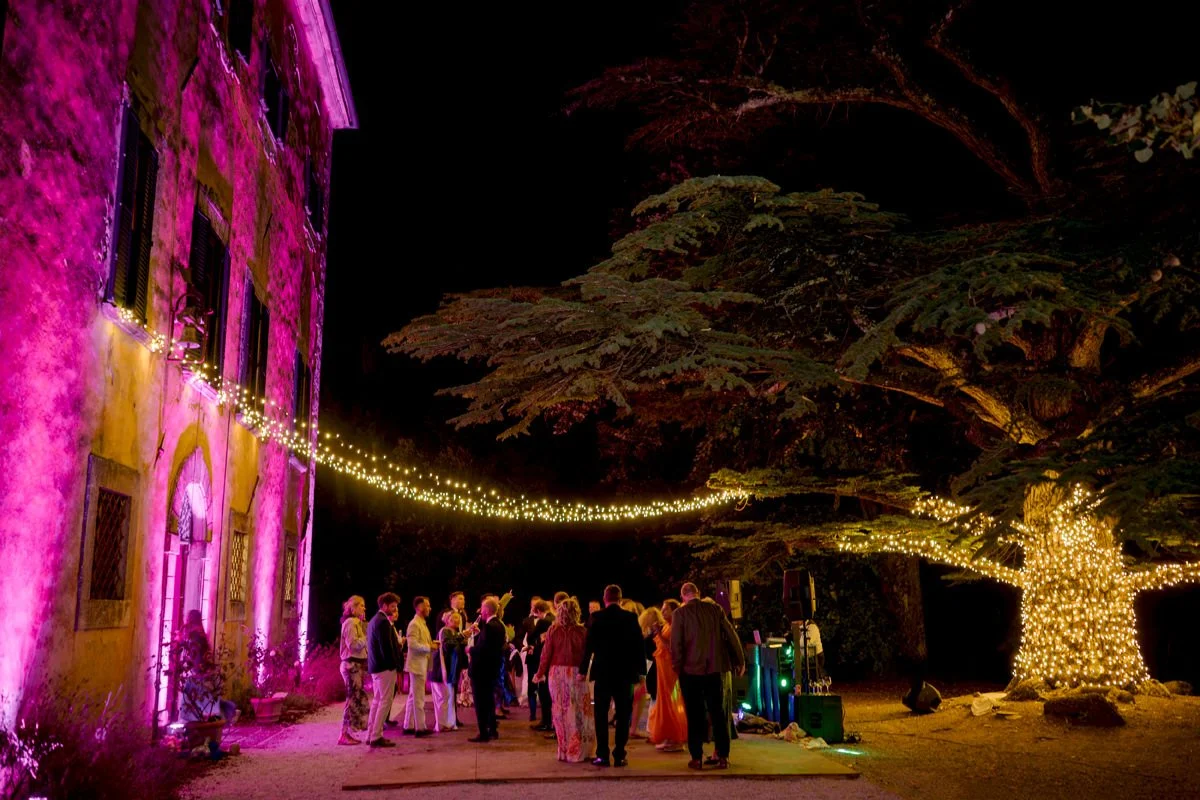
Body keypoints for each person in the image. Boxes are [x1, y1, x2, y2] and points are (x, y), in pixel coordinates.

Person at [670, 582, 745, 770]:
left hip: (690, 670)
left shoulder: (679, 614)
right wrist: (740, 660)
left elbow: (676, 644)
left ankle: (697, 757)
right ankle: (723, 756)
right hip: (715, 668)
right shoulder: (715, 609)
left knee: (694, 714)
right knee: (718, 712)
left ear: (683, 597)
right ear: (698, 593)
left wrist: (677, 667)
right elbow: (731, 634)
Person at [580, 584, 645, 767]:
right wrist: (641, 672)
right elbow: (638, 646)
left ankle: (602, 754)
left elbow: (589, 646)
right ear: (620, 598)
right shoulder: (630, 617)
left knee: (601, 714)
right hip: (625, 672)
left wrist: (583, 669)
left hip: (603, 672)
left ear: (605, 598)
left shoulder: (597, 617)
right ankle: (620, 754)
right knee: (624, 714)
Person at [534, 597, 595, 762]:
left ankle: (564, 750)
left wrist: (539, 673)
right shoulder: (582, 632)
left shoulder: (553, 630)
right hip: (577, 673)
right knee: (579, 712)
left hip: (557, 674)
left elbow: (545, 655)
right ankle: (579, 750)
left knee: (561, 712)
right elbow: (586, 655)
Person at [642, 604, 686, 752]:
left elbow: (672, 647)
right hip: (662, 669)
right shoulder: (667, 625)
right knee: (663, 703)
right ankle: (667, 736)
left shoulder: (675, 626)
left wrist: (658, 634)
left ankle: (674, 738)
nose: (662, 611)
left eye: (666, 609)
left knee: (670, 703)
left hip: (669, 670)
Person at [366, 592, 404, 748]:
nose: (394, 610)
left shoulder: (374, 621)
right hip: (385, 668)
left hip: (376, 667)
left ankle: (371, 734)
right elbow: (386, 648)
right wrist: (394, 665)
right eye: (393, 606)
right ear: (384, 606)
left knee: (377, 701)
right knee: (385, 702)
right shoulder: (383, 622)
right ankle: (376, 736)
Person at [468, 597, 505, 742]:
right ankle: (492, 730)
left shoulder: (490, 627)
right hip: (491, 670)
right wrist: (479, 634)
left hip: (482, 671)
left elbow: (483, 650)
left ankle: (483, 732)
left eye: (482, 608)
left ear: (488, 610)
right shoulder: (498, 625)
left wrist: (469, 649)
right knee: (489, 701)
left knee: (481, 702)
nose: (480, 611)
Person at [338, 595, 369, 745]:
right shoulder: (351, 623)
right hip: (351, 665)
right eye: (361, 605)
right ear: (353, 608)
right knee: (352, 700)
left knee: (356, 699)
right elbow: (353, 645)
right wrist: (366, 637)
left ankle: (352, 730)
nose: (364, 608)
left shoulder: (356, 623)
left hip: (356, 665)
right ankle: (345, 733)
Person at [430, 610, 466, 732]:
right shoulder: (445, 631)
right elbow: (447, 646)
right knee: (443, 698)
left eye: (458, 618)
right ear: (447, 620)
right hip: (441, 670)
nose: (456, 620)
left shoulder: (453, 632)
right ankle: (442, 724)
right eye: (453, 618)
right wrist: (461, 636)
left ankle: (448, 723)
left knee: (448, 697)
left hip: (449, 670)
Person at [403, 596, 433, 736]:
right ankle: (420, 728)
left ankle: (408, 725)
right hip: (417, 666)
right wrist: (429, 647)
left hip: (420, 664)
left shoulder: (422, 623)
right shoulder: (414, 624)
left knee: (412, 696)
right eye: (427, 605)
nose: (429, 608)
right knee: (418, 697)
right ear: (419, 607)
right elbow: (412, 645)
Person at [524, 599, 553, 731]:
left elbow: (530, 637)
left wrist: (535, 641)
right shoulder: (554, 618)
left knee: (543, 690)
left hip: (542, 657)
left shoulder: (543, 621)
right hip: (553, 659)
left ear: (539, 611)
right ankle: (549, 721)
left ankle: (545, 721)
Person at [520, 596, 544, 716]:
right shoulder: (526, 621)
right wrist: (525, 647)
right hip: (531, 657)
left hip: (543, 656)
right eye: (533, 605)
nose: (535, 608)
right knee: (531, 684)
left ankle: (545, 715)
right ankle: (532, 713)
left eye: (537, 605)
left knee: (543, 686)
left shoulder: (547, 620)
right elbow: (519, 637)